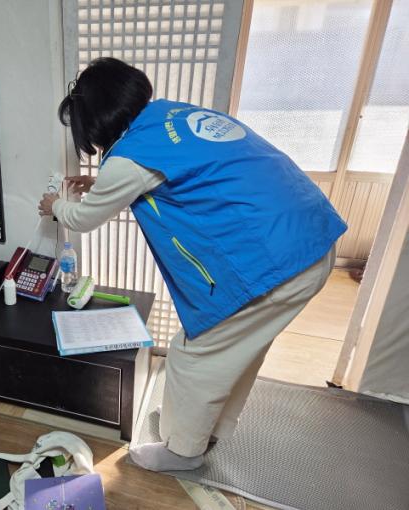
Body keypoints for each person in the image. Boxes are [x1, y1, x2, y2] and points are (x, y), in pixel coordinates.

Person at [38, 58, 347, 472]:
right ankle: (207, 430)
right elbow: (180, 173)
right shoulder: (172, 115)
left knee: (192, 355)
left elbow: (83, 218)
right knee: (234, 353)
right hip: (310, 236)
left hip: (278, 263)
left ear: (95, 120)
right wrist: (103, 185)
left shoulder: (128, 160)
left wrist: (54, 206)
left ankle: (183, 452)